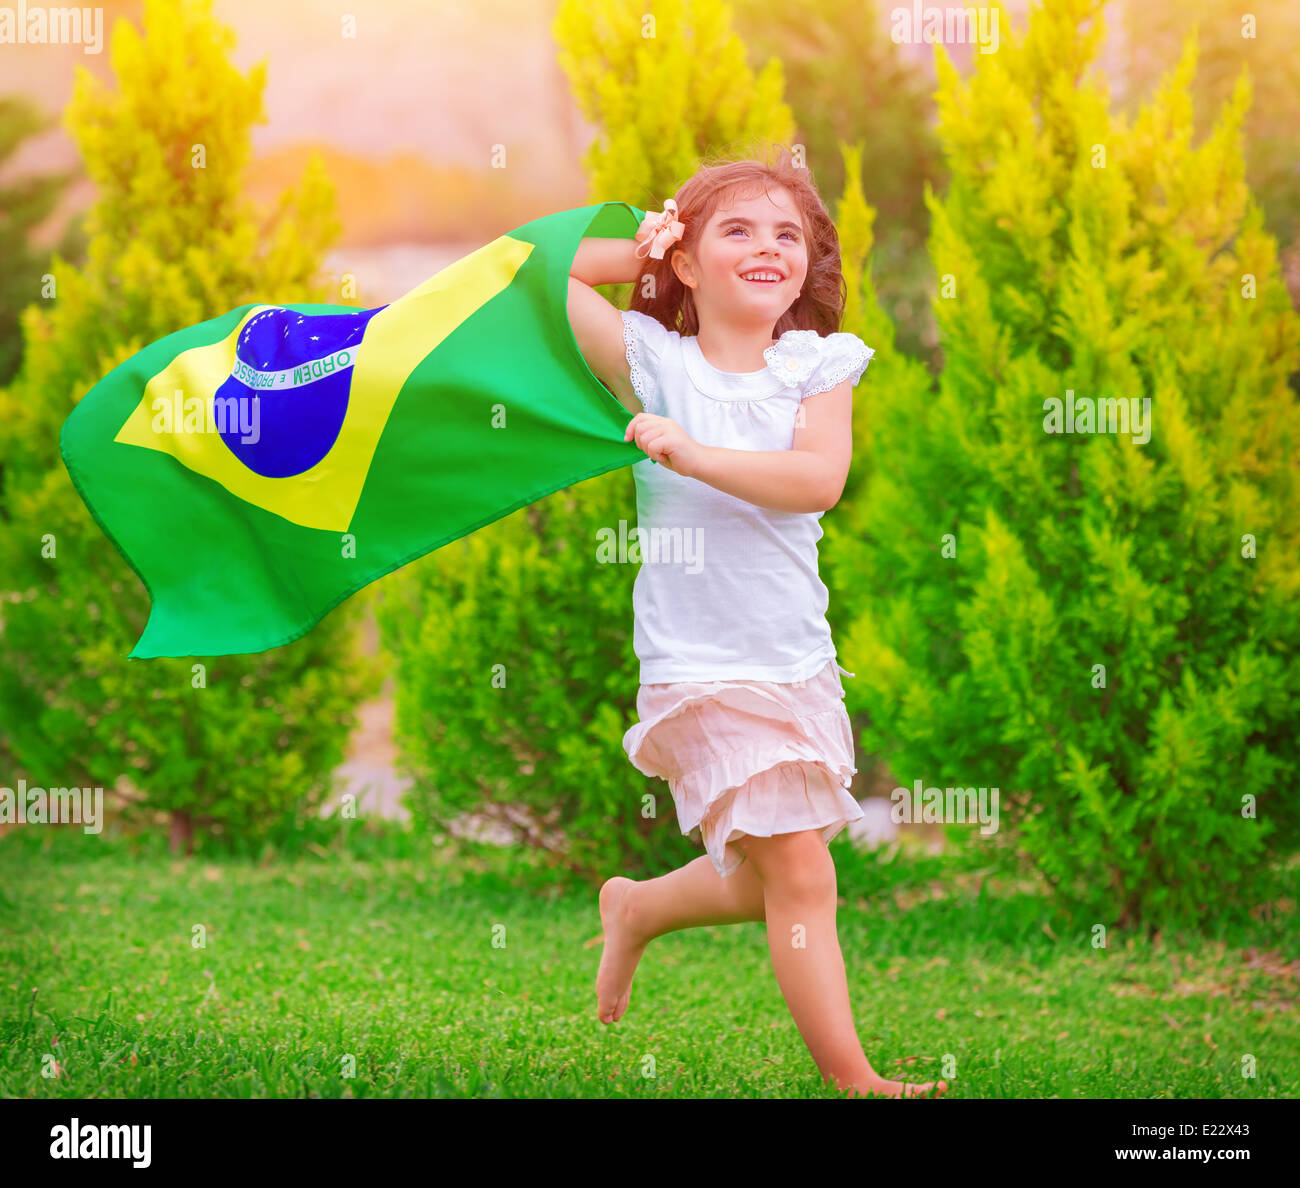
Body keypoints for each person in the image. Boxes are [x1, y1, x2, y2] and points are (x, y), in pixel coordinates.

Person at [567, 147, 947, 1101]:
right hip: (699, 661)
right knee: (806, 878)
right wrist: (642, 248)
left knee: (776, 869)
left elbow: (815, 483)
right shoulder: (653, 361)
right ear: (691, 264)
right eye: (736, 230)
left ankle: (641, 907)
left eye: (787, 233)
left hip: (794, 660)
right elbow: (541, 273)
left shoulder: (817, 366)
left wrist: (692, 457)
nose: (769, 247)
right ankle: (855, 1080)